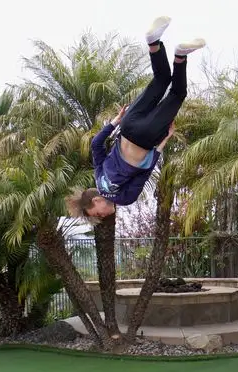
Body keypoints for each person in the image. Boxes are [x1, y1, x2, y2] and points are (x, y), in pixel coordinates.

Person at [66, 16, 205, 220]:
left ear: (96, 201)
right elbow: (96, 144)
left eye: (97, 214)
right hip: (127, 124)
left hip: (146, 137)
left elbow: (144, 173)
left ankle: (180, 56)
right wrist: (116, 121)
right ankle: (153, 42)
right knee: (161, 79)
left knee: (177, 94)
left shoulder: (123, 198)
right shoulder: (98, 175)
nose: (102, 216)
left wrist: (164, 140)